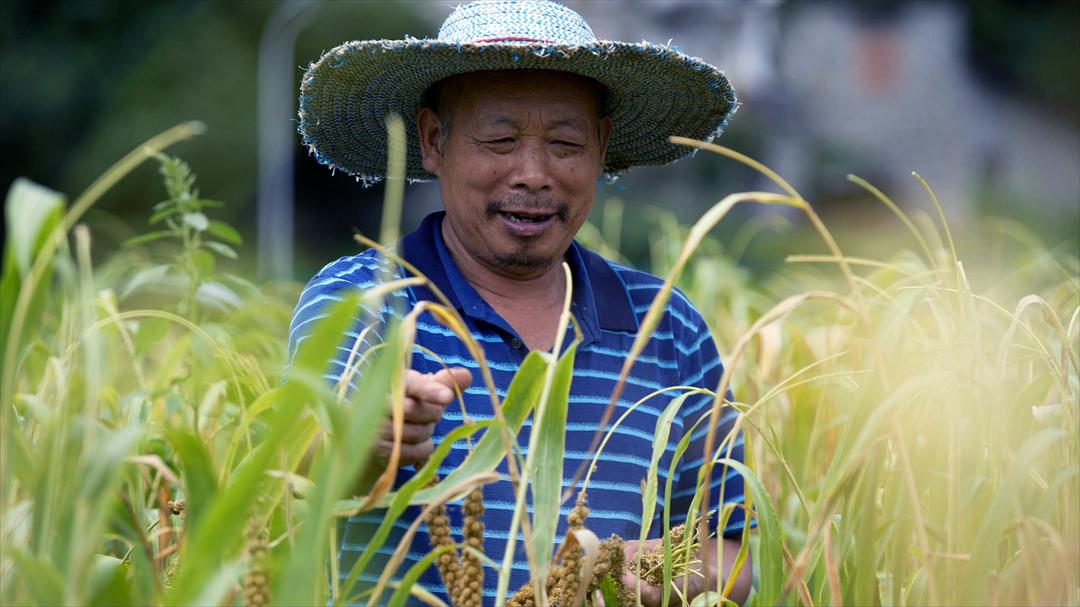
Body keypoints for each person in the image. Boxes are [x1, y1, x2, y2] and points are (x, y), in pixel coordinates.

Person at [290, 1, 752, 604]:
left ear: (601, 147)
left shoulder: (667, 330)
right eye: (500, 139)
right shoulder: (364, 300)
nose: (533, 174)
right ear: (434, 142)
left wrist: (650, 566)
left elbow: (735, 553)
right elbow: (294, 477)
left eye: (564, 143)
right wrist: (362, 439)